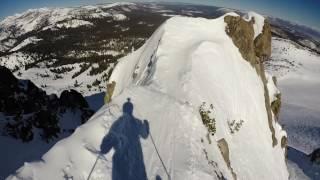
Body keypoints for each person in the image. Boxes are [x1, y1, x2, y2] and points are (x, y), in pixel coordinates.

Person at [100, 98, 149, 180]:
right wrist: (146, 125)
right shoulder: (136, 122)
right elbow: (145, 134)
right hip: (136, 162)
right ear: (131, 110)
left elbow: (107, 145)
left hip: (121, 163)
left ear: (123, 110)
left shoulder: (116, 124)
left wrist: (105, 145)